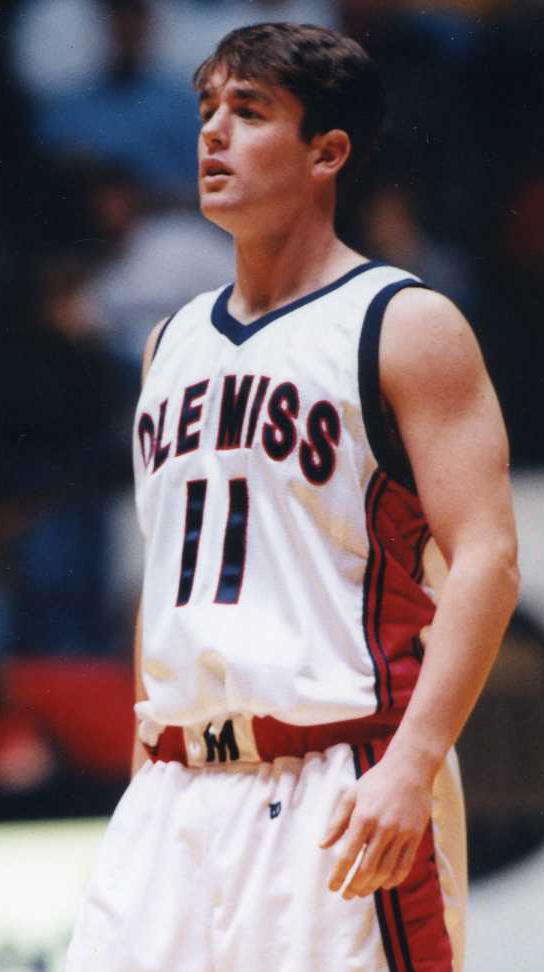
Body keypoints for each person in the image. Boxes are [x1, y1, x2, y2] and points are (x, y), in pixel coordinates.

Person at [65, 22, 519, 972]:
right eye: (205, 111)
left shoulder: (404, 323)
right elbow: (170, 566)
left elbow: (488, 558)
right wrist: (151, 743)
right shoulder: (169, 344)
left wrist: (415, 762)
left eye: (248, 111)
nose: (211, 135)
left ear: (327, 152)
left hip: (340, 773)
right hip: (178, 784)